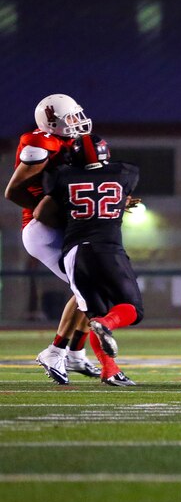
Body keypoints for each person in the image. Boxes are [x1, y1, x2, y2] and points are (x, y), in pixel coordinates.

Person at [5, 93, 101, 384]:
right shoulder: (40, 143)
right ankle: (57, 351)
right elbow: (14, 191)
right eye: (69, 118)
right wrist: (47, 212)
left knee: (96, 287)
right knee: (89, 287)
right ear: (51, 123)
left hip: (59, 224)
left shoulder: (68, 142)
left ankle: (74, 354)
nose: (77, 122)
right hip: (42, 229)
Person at [33, 134, 142, 387]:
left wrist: (76, 218)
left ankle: (110, 370)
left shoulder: (62, 176)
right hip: (107, 248)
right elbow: (109, 192)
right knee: (132, 310)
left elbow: (40, 212)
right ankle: (105, 325)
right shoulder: (125, 173)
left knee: (94, 312)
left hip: (74, 252)